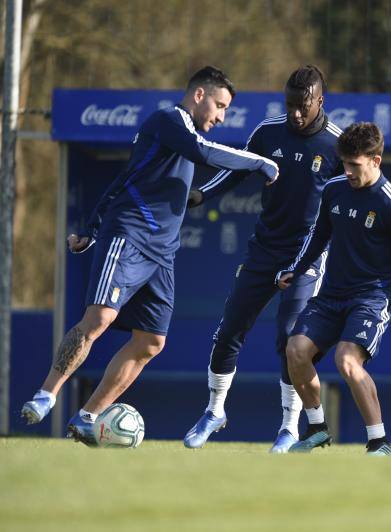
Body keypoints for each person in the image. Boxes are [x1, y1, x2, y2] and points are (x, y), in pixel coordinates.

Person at [21, 66, 279, 445]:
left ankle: (87, 417)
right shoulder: (168, 120)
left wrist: (90, 227)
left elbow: (123, 179)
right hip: (129, 236)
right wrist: (258, 161)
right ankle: (46, 395)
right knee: (99, 318)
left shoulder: (179, 133)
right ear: (198, 95)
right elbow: (202, 152)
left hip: (162, 253)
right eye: (220, 106)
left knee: (151, 343)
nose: (222, 116)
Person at [183, 65, 344, 452]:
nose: (295, 114)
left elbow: (351, 198)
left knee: (290, 340)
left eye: (303, 107)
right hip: (264, 250)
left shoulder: (336, 145)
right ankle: (214, 411)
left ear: (320, 101)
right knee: (230, 327)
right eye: (289, 105)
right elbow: (237, 170)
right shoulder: (268, 132)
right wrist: (201, 194)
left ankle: (288, 427)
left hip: (305, 259)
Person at [276, 122, 391, 456]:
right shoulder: (335, 189)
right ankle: (318, 428)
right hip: (331, 296)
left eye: (355, 164)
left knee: (347, 361)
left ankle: (379, 442)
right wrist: (297, 267)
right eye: (344, 163)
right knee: (295, 350)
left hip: (369, 299)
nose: (347, 170)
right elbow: (317, 234)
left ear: (375, 161)